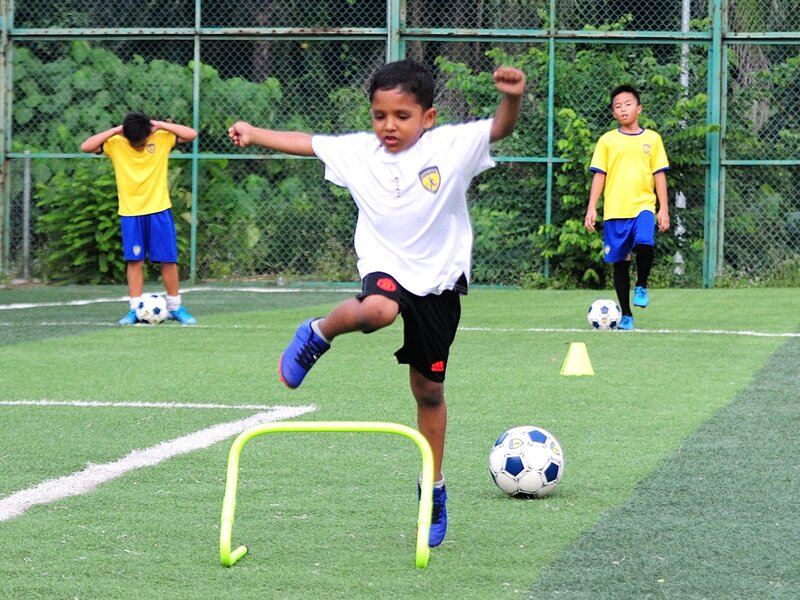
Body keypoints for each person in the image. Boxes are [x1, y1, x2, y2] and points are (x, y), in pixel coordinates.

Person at [228, 59, 525, 546]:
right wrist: (254, 133)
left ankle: (432, 489)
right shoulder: (359, 153)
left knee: (429, 393)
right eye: (379, 115)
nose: (389, 125)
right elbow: (307, 143)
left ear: (427, 117)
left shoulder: (449, 146)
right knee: (379, 310)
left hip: (440, 282)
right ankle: (318, 332)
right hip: (384, 264)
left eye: (402, 116)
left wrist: (511, 97)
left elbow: (500, 128)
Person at [80, 112, 198, 326]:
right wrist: (116, 130)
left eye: (141, 142)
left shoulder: (161, 137)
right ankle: (135, 310)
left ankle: (175, 308)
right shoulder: (116, 143)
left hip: (159, 210)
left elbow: (192, 134)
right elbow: (86, 147)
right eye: (133, 142)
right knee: (135, 261)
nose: (138, 145)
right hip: (130, 213)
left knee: (168, 260)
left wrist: (159, 125)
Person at [584, 84, 670, 331]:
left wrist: (663, 209)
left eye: (628, 104)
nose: (623, 109)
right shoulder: (607, 141)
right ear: (613, 113)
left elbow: (659, 175)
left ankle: (641, 285)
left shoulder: (652, 139)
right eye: (618, 106)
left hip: (643, 205)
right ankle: (627, 316)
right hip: (615, 210)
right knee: (620, 262)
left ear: (639, 108)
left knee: (645, 241)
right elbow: (599, 175)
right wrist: (592, 207)